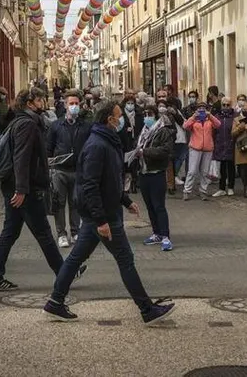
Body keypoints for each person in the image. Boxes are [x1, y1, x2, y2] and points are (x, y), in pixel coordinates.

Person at [42, 101, 176, 325]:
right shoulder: (97, 145)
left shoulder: (108, 141)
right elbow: (91, 185)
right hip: (104, 215)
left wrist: (125, 201)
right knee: (125, 260)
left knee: (75, 258)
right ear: (109, 119)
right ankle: (146, 309)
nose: (121, 118)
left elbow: (110, 180)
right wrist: (101, 220)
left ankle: (55, 302)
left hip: (103, 212)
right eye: (118, 115)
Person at [0, 88, 86, 292]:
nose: (43, 102)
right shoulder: (27, 124)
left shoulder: (23, 121)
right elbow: (21, 158)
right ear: (30, 103)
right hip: (25, 189)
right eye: (40, 99)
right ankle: (65, 274)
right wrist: (22, 189)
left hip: (17, 187)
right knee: (43, 234)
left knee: (10, 232)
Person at [46, 90, 91, 248]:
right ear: (65, 105)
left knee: (76, 203)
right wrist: (50, 167)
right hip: (60, 171)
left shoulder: (85, 126)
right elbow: (48, 148)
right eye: (71, 104)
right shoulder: (56, 125)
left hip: (78, 171)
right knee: (59, 203)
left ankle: (75, 231)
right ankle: (61, 234)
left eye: (76, 104)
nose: (74, 107)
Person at [136, 106, 175, 251]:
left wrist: (145, 152)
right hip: (144, 172)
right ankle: (156, 232)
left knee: (159, 206)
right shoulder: (143, 132)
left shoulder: (162, 131)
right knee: (150, 206)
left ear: (156, 116)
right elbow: (138, 145)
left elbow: (166, 151)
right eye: (145, 114)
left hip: (157, 172)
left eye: (150, 114)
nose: (147, 117)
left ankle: (165, 235)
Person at [183, 102, 221, 201]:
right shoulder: (194, 120)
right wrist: (193, 117)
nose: (201, 110)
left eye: (203, 108)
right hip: (195, 147)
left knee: (205, 172)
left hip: (208, 148)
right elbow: (185, 126)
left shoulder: (209, 120)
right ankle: (187, 191)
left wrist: (210, 115)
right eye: (199, 108)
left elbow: (218, 124)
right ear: (196, 110)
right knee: (192, 171)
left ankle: (203, 191)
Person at [120, 92, 144, 194]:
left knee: (134, 164)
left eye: (132, 103)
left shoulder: (138, 115)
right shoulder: (121, 115)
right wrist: (126, 130)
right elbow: (118, 129)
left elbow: (141, 127)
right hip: (125, 143)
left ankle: (134, 183)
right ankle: (126, 185)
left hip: (135, 142)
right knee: (126, 165)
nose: (130, 105)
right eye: (128, 103)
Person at [212, 97, 236, 197]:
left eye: (228, 105)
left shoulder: (235, 116)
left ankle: (230, 187)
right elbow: (213, 131)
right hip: (220, 144)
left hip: (231, 144)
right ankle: (221, 188)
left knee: (231, 167)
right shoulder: (217, 116)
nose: (226, 107)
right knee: (221, 168)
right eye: (224, 105)